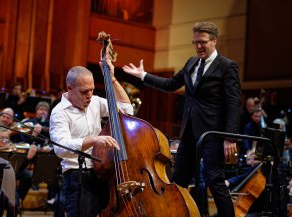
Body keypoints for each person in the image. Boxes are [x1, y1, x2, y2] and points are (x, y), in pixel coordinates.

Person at [122, 21, 241, 217]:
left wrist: (230, 138)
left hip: (212, 134)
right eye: (195, 42)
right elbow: (170, 85)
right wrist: (143, 75)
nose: (198, 46)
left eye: (202, 42)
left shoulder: (227, 66)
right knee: (178, 180)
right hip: (188, 133)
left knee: (214, 180)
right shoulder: (191, 63)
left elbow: (233, 102)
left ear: (214, 41)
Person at [49, 62, 133, 217]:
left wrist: (112, 79)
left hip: (102, 172)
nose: (89, 96)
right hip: (77, 176)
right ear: (69, 88)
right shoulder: (59, 113)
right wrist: (94, 140)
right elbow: (61, 149)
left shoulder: (95, 101)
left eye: (92, 90)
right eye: (83, 91)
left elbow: (127, 111)